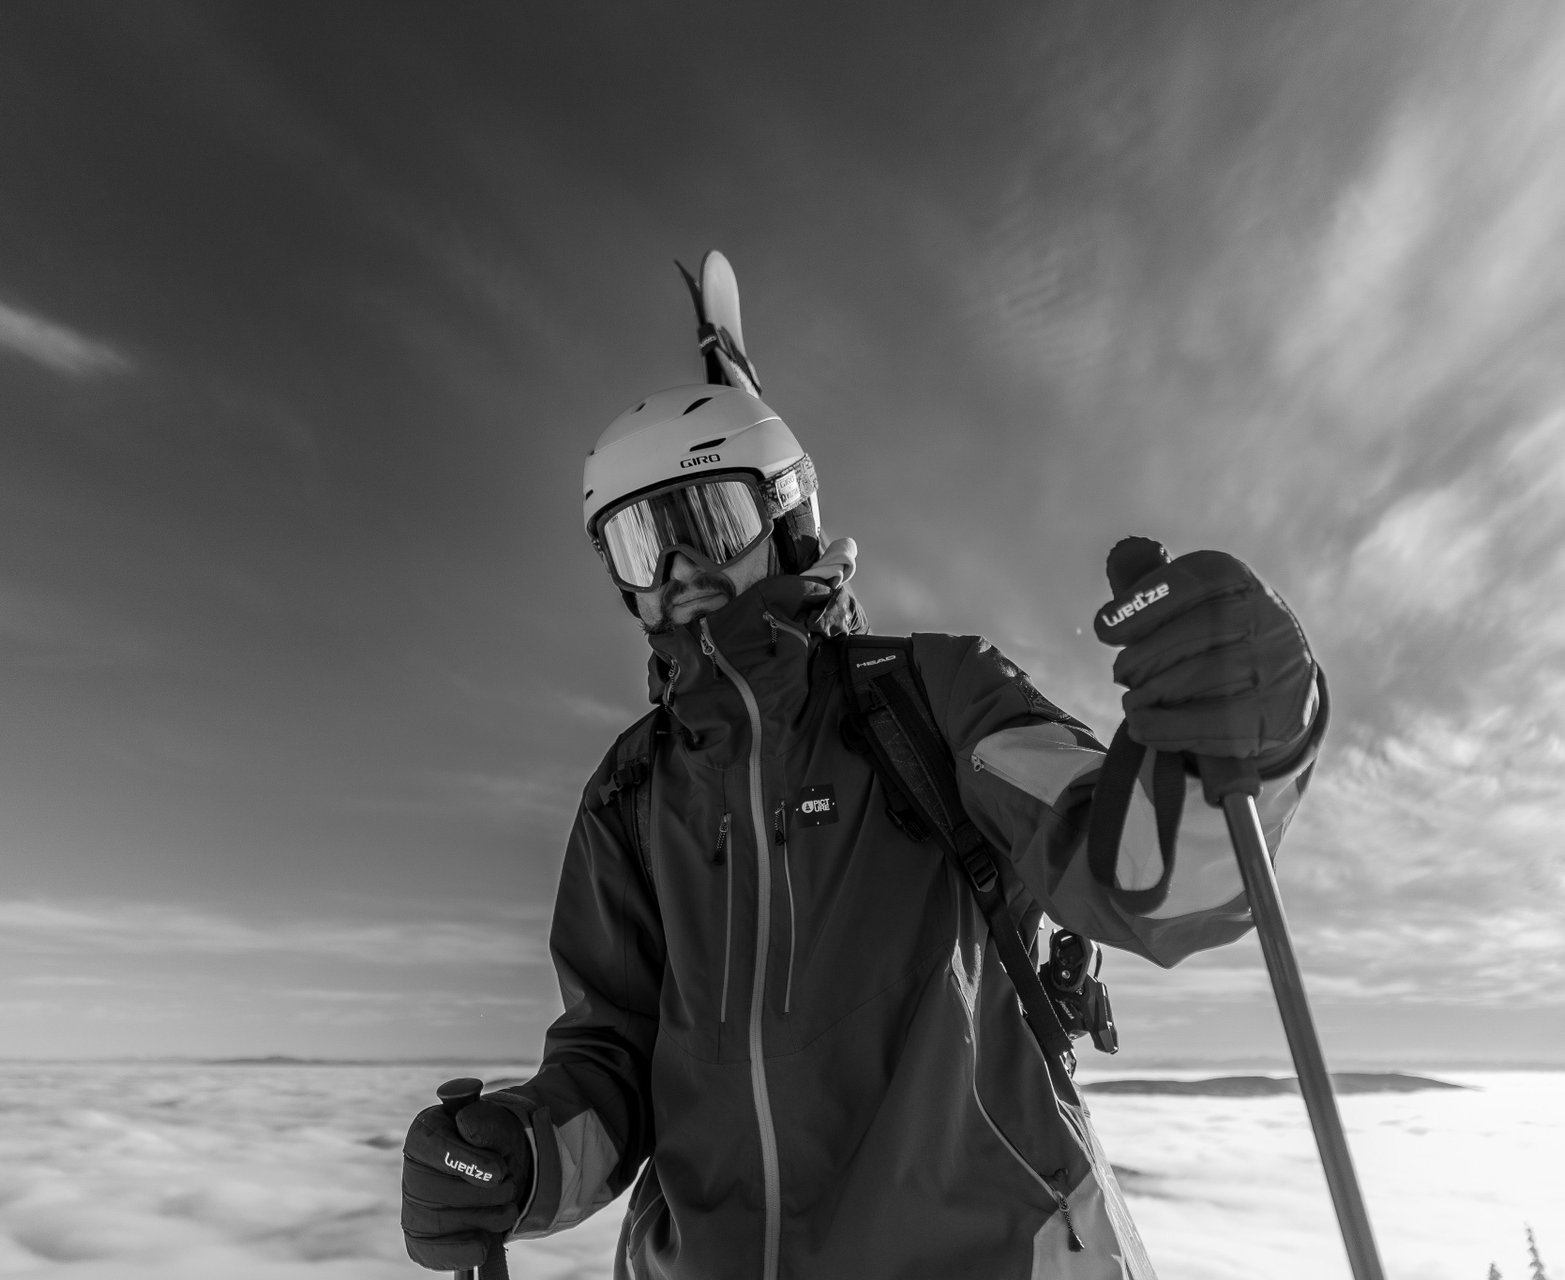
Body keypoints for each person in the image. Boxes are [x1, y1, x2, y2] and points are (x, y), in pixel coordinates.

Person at [401, 381, 1325, 1279]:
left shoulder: (932, 699)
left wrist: (1249, 730)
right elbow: (613, 1062)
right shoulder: (629, 793)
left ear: (787, 520)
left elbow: (1144, 874)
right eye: (642, 543)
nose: (679, 572)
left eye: (712, 523)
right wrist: (523, 1156)